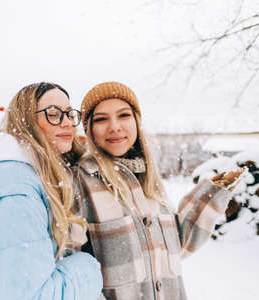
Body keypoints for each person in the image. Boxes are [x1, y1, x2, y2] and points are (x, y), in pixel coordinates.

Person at [74, 81, 245, 300]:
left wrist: (212, 194)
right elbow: (72, 265)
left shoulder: (149, 182)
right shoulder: (79, 181)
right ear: (89, 130)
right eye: (101, 119)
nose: (114, 126)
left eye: (124, 115)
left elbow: (176, 248)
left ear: (136, 121)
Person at [0, 82, 103, 300]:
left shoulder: (35, 176)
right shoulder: (13, 195)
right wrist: (90, 265)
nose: (67, 122)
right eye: (54, 114)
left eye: (69, 114)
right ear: (27, 121)